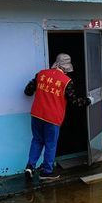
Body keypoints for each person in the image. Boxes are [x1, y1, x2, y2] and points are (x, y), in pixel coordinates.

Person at [24, 53, 90, 181]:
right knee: (50, 143)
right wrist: (88, 100)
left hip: (36, 115)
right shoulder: (67, 81)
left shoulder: (41, 74)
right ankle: (46, 172)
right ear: (66, 67)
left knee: (37, 140)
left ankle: (30, 167)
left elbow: (28, 91)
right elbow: (75, 101)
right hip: (52, 118)